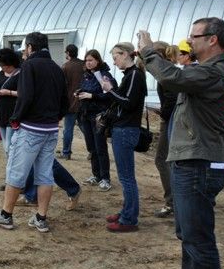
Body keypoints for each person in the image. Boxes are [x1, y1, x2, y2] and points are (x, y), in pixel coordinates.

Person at [138, 19, 224, 269]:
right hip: (189, 161)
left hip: (199, 163)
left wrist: (149, 52)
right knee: (187, 233)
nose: (188, 42)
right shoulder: (203, 70)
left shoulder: (213, 71)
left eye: (194, 37)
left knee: (198, 237)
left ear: (214, 40)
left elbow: (170, 78)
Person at [0, 32, 67, 233]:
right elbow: (65, 100)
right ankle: (41, 217)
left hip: (31, 129)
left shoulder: (29, 66)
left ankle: (6, 215)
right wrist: (56, 117)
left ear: (30, 47)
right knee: (45, 175)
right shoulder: (57, 67)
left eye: (25, 50)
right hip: (51, 129)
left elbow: (26, 96)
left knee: (15, 172)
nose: (23, 54)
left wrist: (15, 118)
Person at [100, 42, 146, 233]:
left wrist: (110, 90)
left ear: (126, 54)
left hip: (126, 130)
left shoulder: (135, 75)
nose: (114, 61)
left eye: (116, 56)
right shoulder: (131, 75)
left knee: (127, 178)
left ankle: (129, 219)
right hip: (123, 129)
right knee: (125, 176)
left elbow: (127, 103)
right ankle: (127, 211)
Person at [75, 49, 117, 192]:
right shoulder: (87, 75)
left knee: (100, 147)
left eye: (91, 60)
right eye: (86, 60)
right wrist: (80, 92)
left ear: (97, 61)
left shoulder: (104, 76)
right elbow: (87, 90)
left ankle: (105, 178)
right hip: (86, 115)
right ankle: (96, 175)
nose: (88, 63)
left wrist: (92, 96)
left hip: (99, 116)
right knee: (91, 147)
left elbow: (110, 94)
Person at [153, 42, 179, 218]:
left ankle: (172, 202)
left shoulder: (166, 73)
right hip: (172, 120)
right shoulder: (168, 70)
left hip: (170, 121)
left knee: (162, 160)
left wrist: (163, 114)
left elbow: (171, 99)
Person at [0, 49, 20, 156]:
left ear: (10, 63)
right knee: (4, 140)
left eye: (3, 65)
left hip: (13, 110)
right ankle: (9, 161)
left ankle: (11, 164)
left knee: (9, 142)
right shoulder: (1, 73)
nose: (2, 68)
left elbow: (24, 93)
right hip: (1, 110)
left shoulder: (20, 74)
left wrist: (8, 92)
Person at [60, 44, 85, 160]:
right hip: (84, 101)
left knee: (68, 129)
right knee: (86, 128)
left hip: (70, 103)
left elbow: (62, 86)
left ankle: (66, 152)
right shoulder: (84, 65)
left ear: (68, 53)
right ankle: (92, 150)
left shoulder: (65, 67)